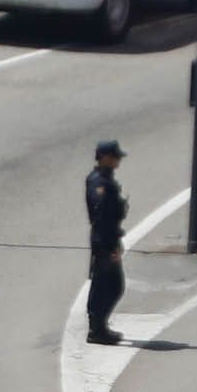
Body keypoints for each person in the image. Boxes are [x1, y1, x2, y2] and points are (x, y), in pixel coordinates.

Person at [80, 137, 125, 345]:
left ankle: (100, 327)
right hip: (104, 240)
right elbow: (101, 217)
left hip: (109, 238)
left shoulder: (104, 179)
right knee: (108, 286)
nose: (118, 160)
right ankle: (96, 329)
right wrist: (110, 246)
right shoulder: (99, 182)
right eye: (115, 157)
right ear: (105, 157)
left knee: (111, 285)